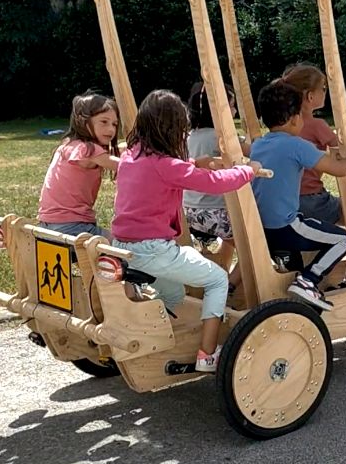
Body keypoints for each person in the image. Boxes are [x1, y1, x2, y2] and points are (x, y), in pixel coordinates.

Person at [111, 89, 260, 373]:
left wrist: (195, 163)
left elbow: (164, 172)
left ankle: (156, 343)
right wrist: (248, 171)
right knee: (217, 280)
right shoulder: (166, 166)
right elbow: (216, 183)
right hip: (154, 250)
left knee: (173, 296)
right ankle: (207, 354)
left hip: (124, 247)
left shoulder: (131, 156)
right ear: (174, 128)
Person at [250, 79, 346, 311]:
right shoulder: (297, 145)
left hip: (263, 228)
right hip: (286, 226)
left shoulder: (259, 144)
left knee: (308, 246)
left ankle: (302, 291)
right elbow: (342, 169)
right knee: (343, 239)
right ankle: (308, 280)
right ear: (296, 118)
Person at [183, 81, 248, 293]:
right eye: (231, 105)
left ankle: (222, 270)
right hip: (216, 214)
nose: (235, 110)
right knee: (254, 244)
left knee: (232, 237)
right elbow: (253, 151)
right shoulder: (222, 139)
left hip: (189, 213)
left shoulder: (188, 137)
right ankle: (230, 286)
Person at [38, 92, 120, 237]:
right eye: (104, 122)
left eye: (115, 124)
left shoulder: (69, 145)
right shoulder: (88, 149)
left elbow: (118, 151)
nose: (111, 130)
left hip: (48, 224)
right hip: (72, 227)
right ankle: (111, 259)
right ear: (83, 122)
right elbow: (124, 166)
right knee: (125, 248)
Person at [282, 63, 341, 224]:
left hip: (287, 199)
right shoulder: (317, 125)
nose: (325, 92)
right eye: (323, 88)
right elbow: (343, 148)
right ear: (310, 96)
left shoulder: (283, 124)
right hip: (312, 198)